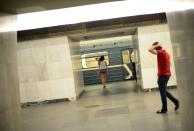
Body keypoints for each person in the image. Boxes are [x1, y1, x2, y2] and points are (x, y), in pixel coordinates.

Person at [148, 42, 179, 114]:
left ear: (157, 48)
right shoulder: (166, 53)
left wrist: (157, 45)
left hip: (163, 76)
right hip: (167, 74)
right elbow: (169, 64)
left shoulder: (160, 53)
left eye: (155, 48)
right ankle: (175, 101)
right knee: (164, 91)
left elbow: (149, 49)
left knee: (162, 93)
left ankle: (164, 109)